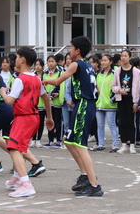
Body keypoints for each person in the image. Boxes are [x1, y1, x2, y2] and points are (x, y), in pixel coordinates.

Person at [43, 36, 103, 197]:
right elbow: (97, 88)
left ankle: (94, 185)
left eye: (71, 48)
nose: (69, 51)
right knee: (69, 141)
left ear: (77, 50)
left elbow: (58, 81)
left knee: (81, 146)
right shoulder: (89, 66)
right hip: (85, 104)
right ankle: (85, 175)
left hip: (83, 105)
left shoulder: (77, 64)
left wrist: (43, 81)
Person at [0, 47, 53, 197]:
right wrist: (49, 117)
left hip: (24, 117)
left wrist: (3, 92)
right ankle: (17, 177)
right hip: (34, 117)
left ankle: (26, 183)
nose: (14, 60)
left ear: (22, 59)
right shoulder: (36, 78)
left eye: (16, 57)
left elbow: (10, 100)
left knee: (14, 149)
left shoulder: (20, 79)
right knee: (20, 147)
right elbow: (46, 98)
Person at [112, 49, 140, 154]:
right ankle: (124, 144)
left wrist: (136, 102)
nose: (123, 58)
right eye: (122, 56)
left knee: (131, 122)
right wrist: (119, 90)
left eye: (125, 56)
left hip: (131, 99)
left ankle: (132, 144)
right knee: (122, 121)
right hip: (121, 99)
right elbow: (113, 86)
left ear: (129, 57)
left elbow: (138, 88)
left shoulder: (136, 72)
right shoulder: (117, 71)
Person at [94, 54, 119, 152]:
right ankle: (100, 144)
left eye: (105, 60)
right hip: (99, 104)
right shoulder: (99, 74)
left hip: (110, 104)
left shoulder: (114, 73)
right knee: (99, 125)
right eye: (102, 60)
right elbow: (95, 87)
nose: (103, 62)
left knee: (112, 124)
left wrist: (112, 99)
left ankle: (115, 145)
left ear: (110, 62)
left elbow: (117, 86)